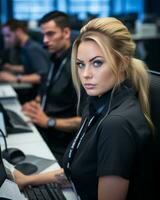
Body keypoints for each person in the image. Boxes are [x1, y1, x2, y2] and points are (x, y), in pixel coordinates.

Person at [11, 17, 154, 200]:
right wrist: (28, 180)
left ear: (123, 63)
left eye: (97, 63)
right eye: (80, 64)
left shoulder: (116, 125)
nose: (85, 75)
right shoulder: (98, 105)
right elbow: (78, 172)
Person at [22, 11, 82, 165]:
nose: (45, 40)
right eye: (43, 35)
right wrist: (36, 103)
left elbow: (85, 121)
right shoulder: (53, 58)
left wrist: (49, 122)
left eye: (50, 34)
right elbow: (45, 91)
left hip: (61, 146)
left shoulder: (78, 68)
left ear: (66, 32)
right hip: (44, 134)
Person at [0, 19, 50, 84]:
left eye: (8, 35)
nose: (6, 40)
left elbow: (42, 76)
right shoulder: (24, 47)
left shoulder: (32, 49)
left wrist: (14, 78)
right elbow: (30, 68)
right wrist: (11, 68)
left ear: (18, 32)